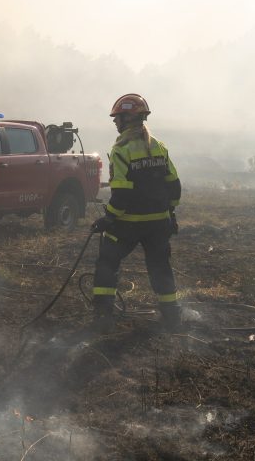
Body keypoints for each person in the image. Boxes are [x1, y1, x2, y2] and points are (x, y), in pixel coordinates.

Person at [89, 93, 182, 332]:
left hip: (128, 224)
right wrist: (170, 213)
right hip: (158, 224)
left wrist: (108, 218)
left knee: (107, 263)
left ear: (127, 119)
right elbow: (174, 186)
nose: (114, 122)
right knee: (160, 267)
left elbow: (122, 195)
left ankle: (102, 316)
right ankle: (172, 318)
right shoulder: (159, 147)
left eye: (117, 118)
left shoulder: (122, 150)